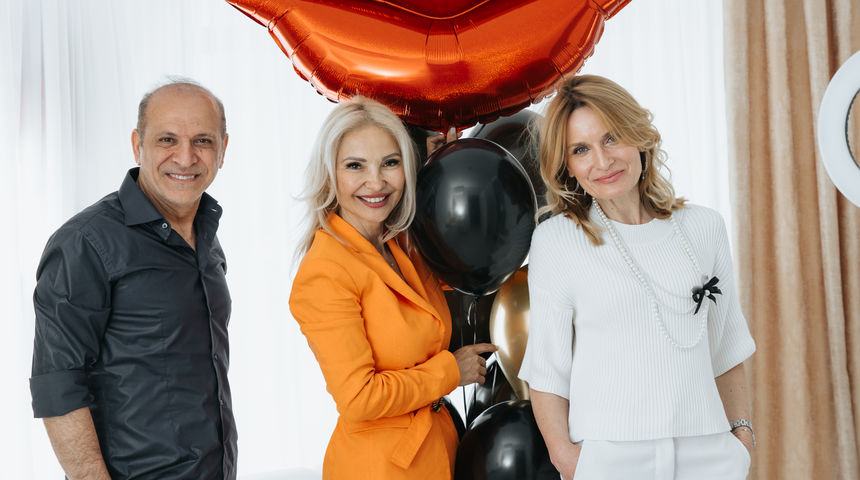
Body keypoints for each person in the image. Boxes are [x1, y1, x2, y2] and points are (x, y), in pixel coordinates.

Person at [518, 75, 756, 480]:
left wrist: (742, 440)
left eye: (611, 138)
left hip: (709, 452)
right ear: (568, 166)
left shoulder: (704, 227)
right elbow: (547, 367)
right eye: (581, 150)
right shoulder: (556, 241)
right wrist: (566, 459)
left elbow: (726, 347)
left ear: (638, 137)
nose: (602, 161)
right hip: (610, 459)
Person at [29, 79, 237, 480]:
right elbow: (58, 388)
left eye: (203, 141)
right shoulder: (85, 242)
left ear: (223, 149)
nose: (185, 157)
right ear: (137, 145)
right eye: (167, 140)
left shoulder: (206, 237)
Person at [289, 97, 495, 479]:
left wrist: (446, 166)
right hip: (380, 468)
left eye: (390, 162)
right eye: (355, 166)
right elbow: (359, 398)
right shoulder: (325, 271)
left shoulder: (401, 245)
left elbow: (464, 279)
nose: (376, 182)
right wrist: (450, 371)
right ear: (330, 175)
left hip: (440, 453)